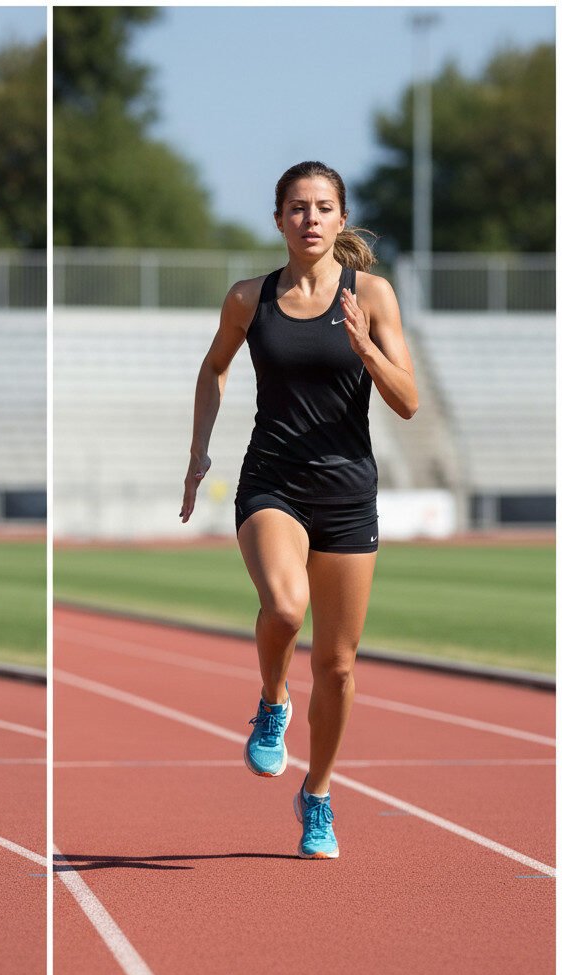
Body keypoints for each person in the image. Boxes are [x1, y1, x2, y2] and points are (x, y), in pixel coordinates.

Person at [180, 160, 418, 859]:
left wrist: (365, 346)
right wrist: (199, 452)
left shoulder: (372, 295)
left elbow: (407, 402)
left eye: (322, 207)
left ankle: (317, 795)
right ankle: (273, 700)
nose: (310, 219)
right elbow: (214, 367)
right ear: (278, 219)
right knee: (285, 608)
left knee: (340, 667)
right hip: (272, 482)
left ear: (341, 219)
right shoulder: (249, 298)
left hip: (348, 490)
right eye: (296, 208)